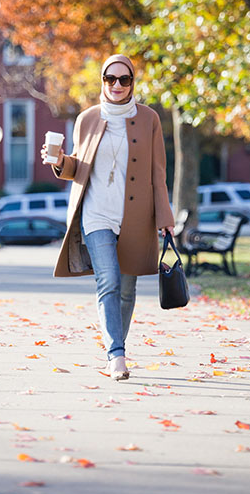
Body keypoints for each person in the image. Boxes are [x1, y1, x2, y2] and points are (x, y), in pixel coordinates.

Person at [40, 54, 174, 381]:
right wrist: (59, 161)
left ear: (132, 83)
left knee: (127, 289)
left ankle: (117, 345)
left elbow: (158, 172)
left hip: (135, 217)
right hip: (96, 213)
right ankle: (116, 355)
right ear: (102, 82)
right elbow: (79, 167)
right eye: (110, 79)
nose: (116, 85)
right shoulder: (86, 119)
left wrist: (165, 216)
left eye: (124, 79)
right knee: (109, 281)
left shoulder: (149, 119)